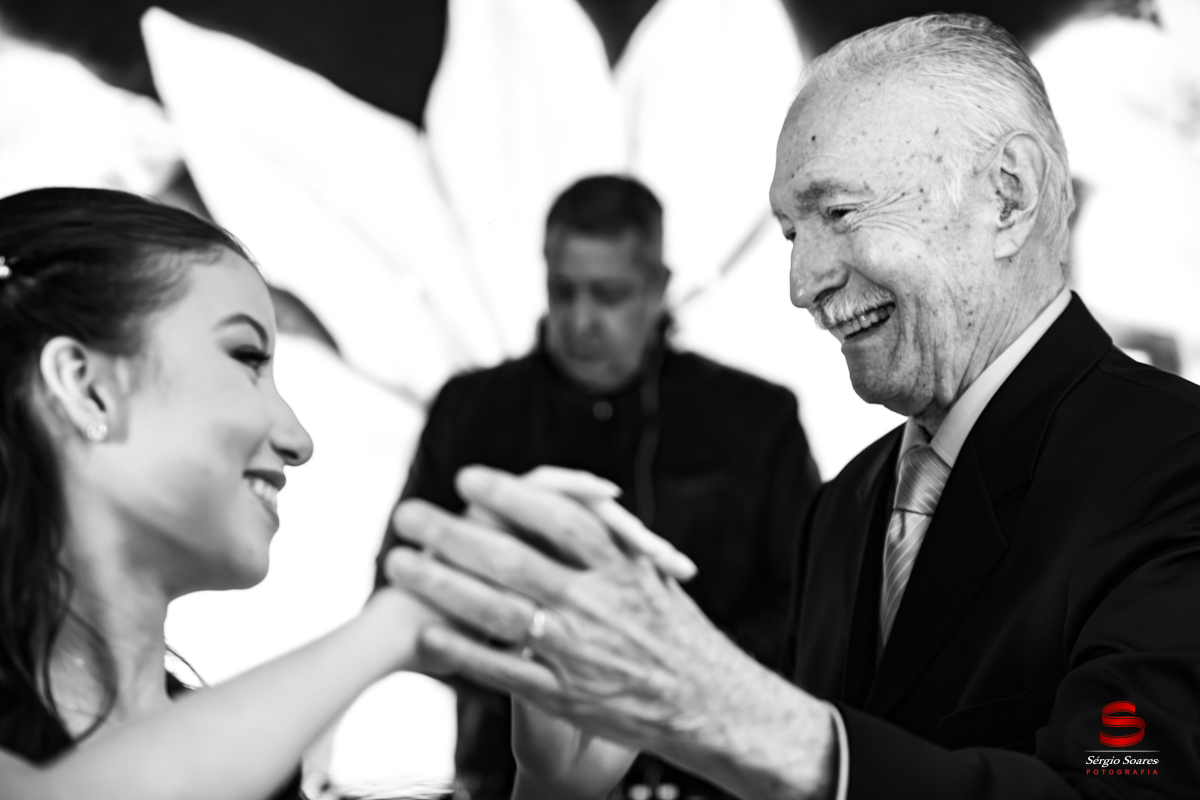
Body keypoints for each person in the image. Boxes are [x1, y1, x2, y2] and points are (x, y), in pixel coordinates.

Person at [384, 13, 1200, 800]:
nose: (802, 285)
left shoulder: (1177, 466)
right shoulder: (844, 509)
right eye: (790, 234)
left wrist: (709, 699)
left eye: (838, 213)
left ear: (1008, 197)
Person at [373, 174, 822, 800]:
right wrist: (538, 672)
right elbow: (401, 590)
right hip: (505, 779)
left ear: (658, 286)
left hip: (711, 779)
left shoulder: (757, 417)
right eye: (563, 291)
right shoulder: (470, 410)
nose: (581, 319)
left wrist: (673, 673)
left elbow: (809, 604)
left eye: (609, 294)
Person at [0, 187, 446, 800]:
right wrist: (399, 622)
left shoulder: (261, 767)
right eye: (246, 356)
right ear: (86, 387)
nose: (298, 440)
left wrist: (552, 782)